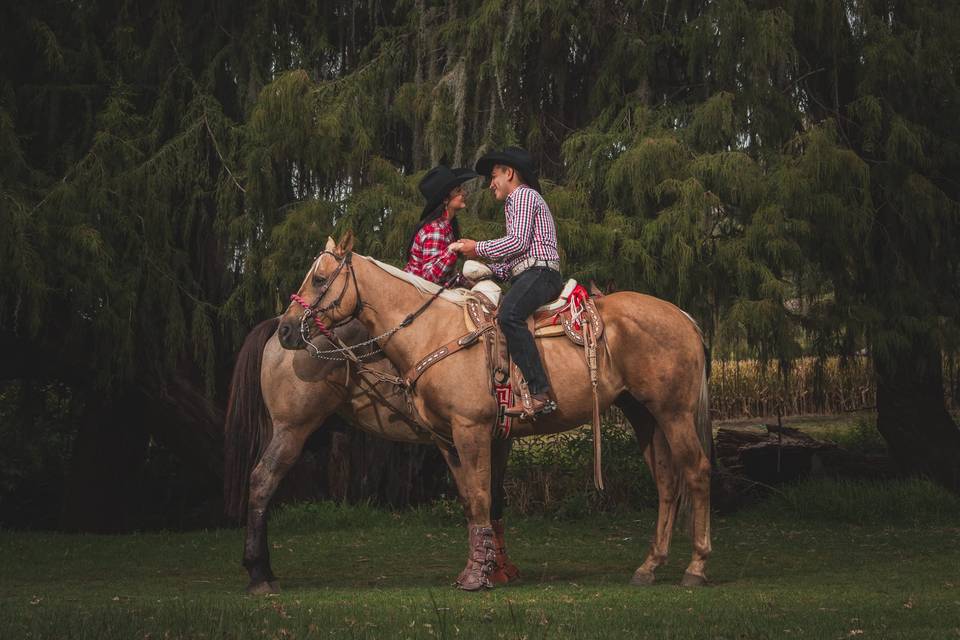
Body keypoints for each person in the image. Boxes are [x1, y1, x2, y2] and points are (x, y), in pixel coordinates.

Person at [452, 147, 562, 417]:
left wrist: (477, 248)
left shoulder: (522, 196)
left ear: (509, 173)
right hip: (532, 272)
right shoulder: (521, 201)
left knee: (509, 315)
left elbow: (517, 243)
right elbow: (516, 257)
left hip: (540, 273)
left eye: (493, 176)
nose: (491, 185)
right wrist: (487, 272)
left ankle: (540, 393)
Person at [404, 165, 478, 286]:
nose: (464, 193)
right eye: (458, 191)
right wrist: (451, 249)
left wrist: (466, 282)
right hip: (416, 296)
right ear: (445, 200)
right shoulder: (436, 230)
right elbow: (429, 279)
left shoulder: (446, 226)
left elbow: (444, 277)